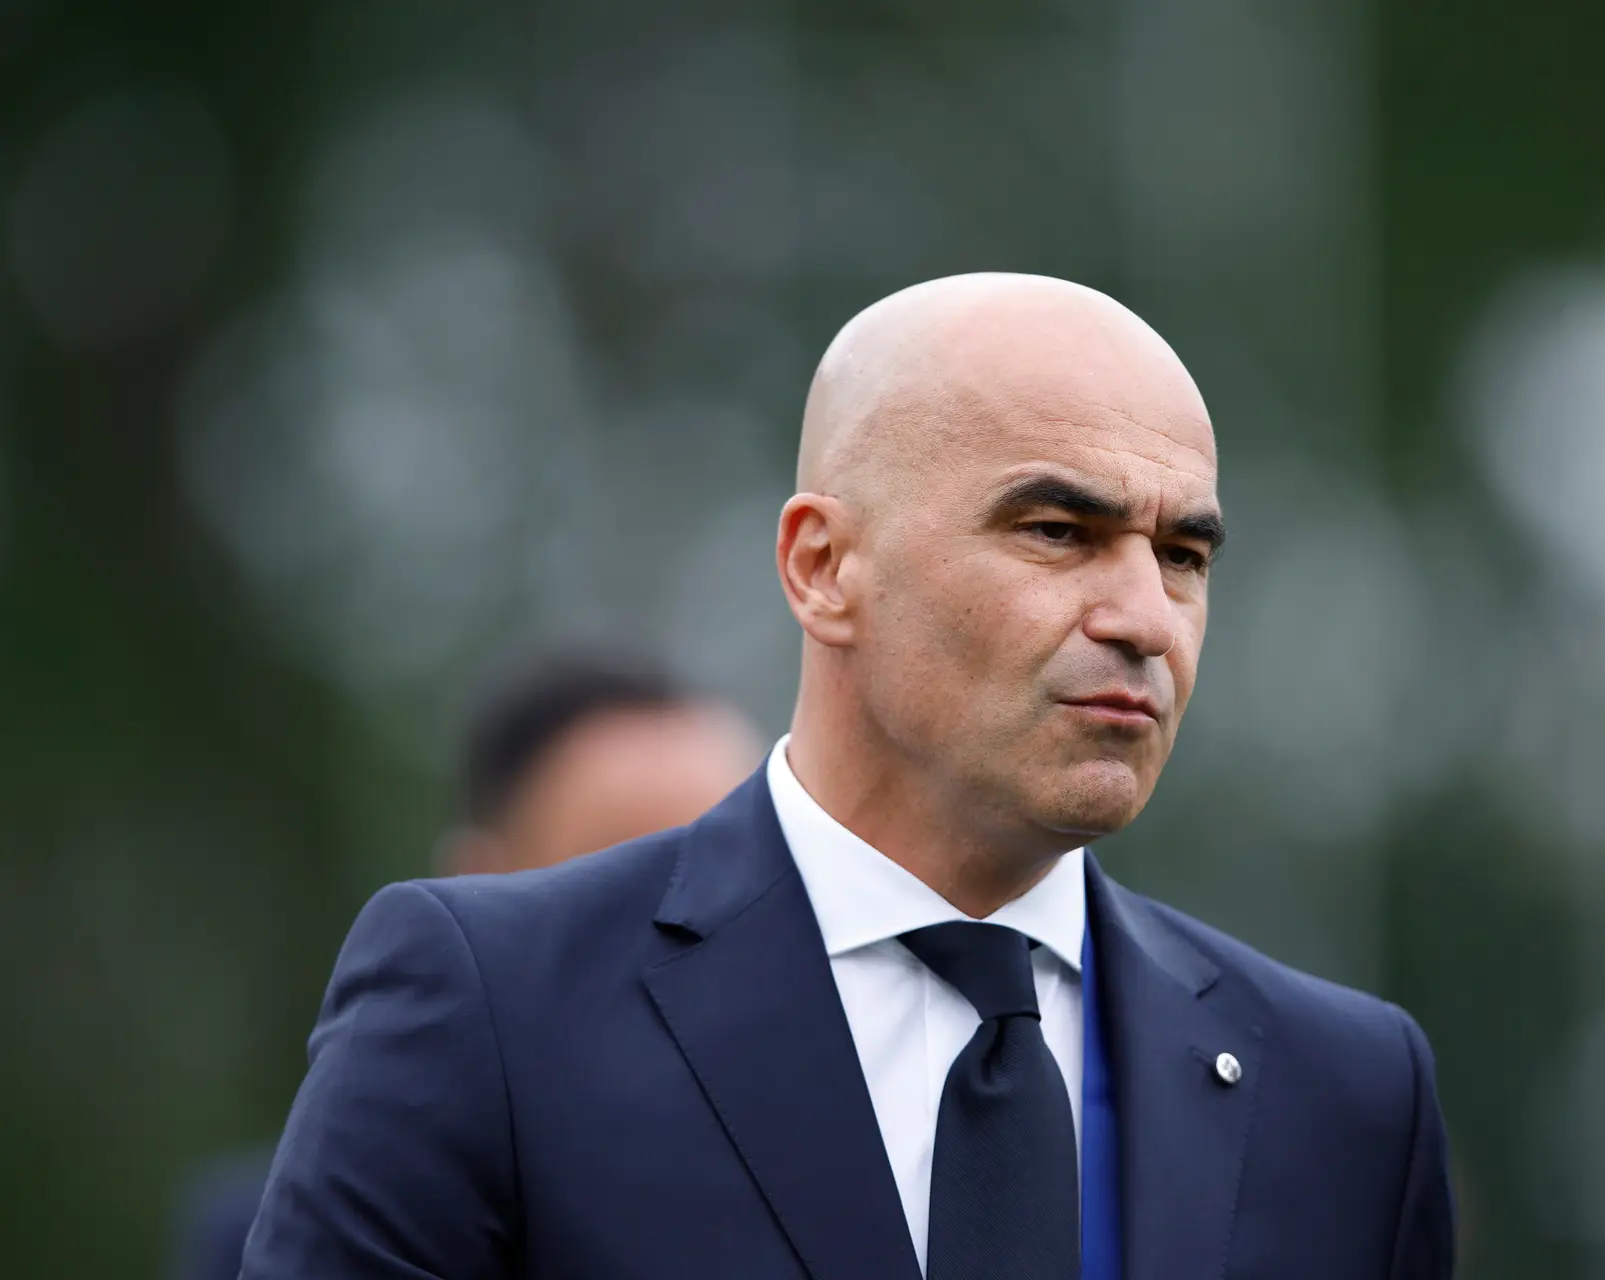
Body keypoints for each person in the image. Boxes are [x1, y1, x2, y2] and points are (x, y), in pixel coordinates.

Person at [241, 274, 1455, 1279]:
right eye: (1057, 531)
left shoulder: (1346, 1092)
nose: (1145, 616)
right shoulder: (498, 1012)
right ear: (822, 566)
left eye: (1183, 553)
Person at [170, 656, 761, 1280]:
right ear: (481, 880)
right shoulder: (326, 1227)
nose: (689, 922)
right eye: (619, 872)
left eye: (726, 872)